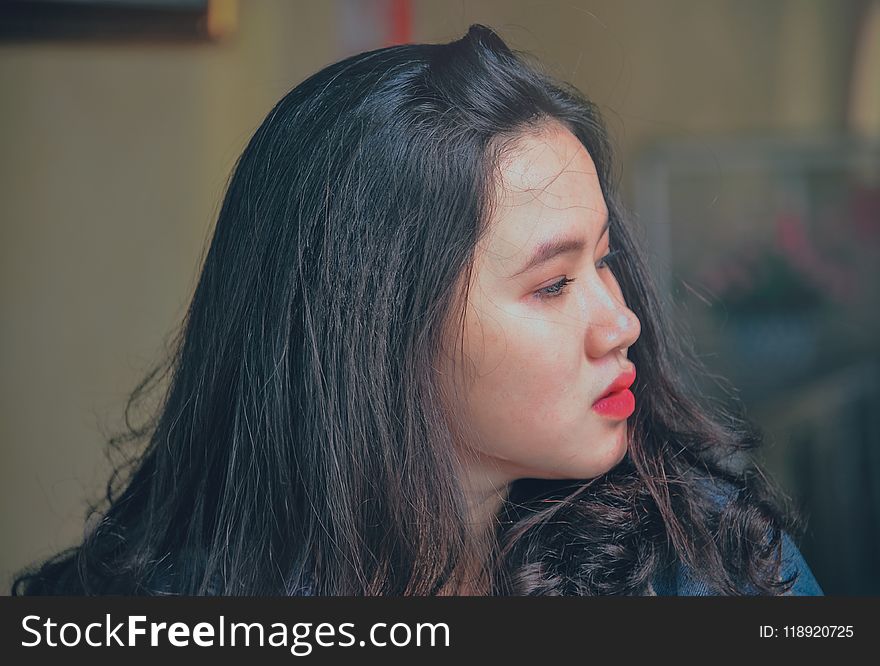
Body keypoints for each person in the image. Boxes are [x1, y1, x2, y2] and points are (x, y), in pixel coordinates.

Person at [13, 24, 822, 597]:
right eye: (551, 285)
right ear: (378, 335)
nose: (621, 323)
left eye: (604, 260)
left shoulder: (709, 561)